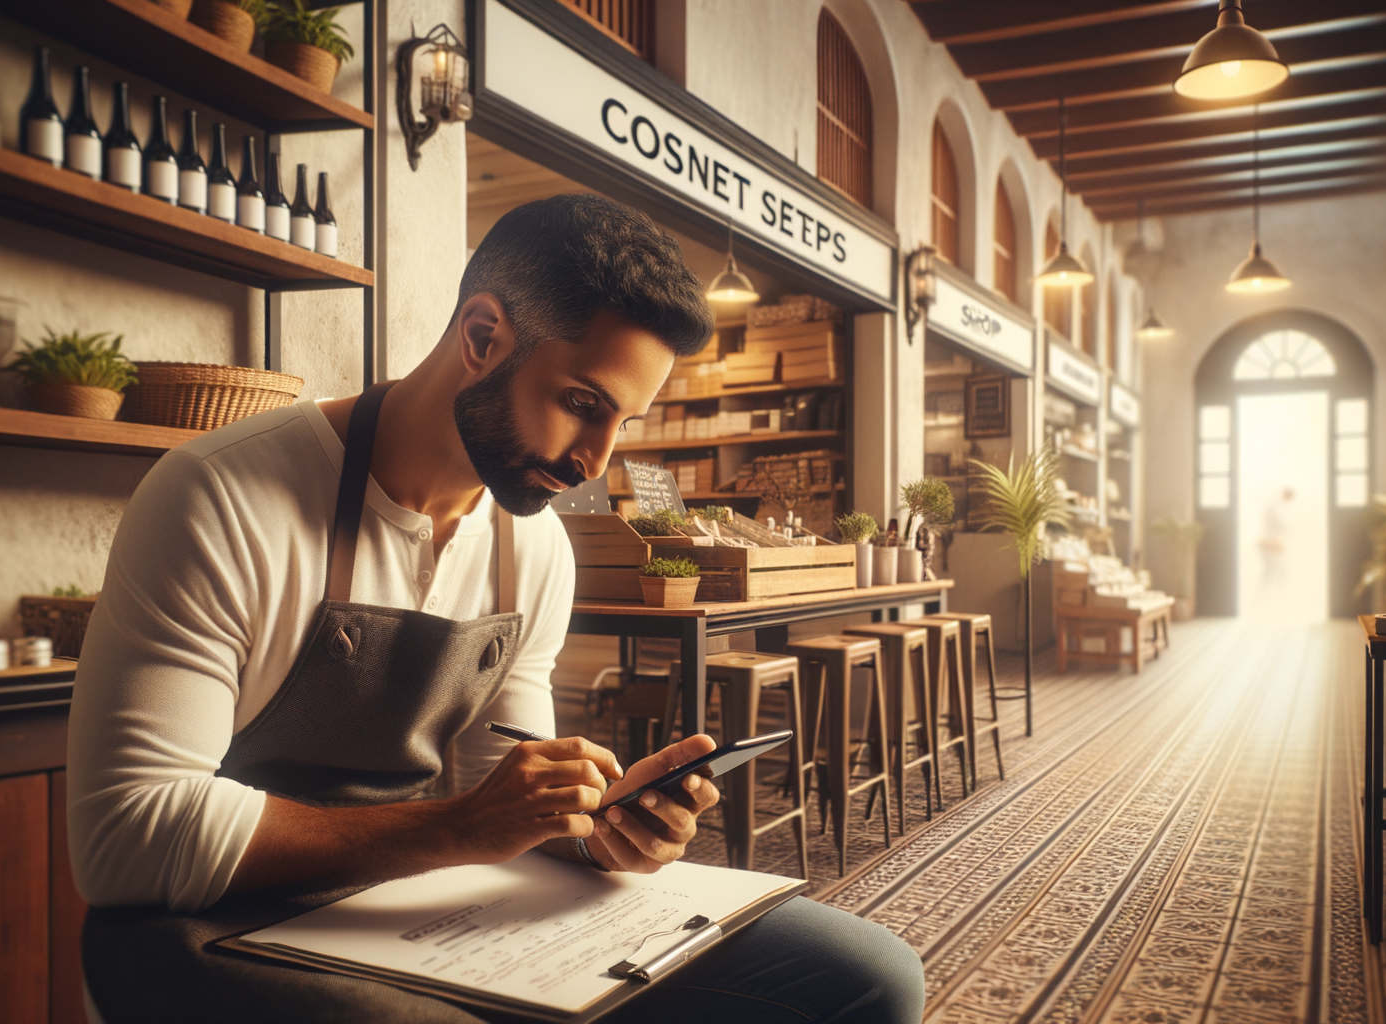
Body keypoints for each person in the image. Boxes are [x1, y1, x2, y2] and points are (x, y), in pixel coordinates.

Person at [68, 194, 924, 1023]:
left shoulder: (535, 547)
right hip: (206, 922)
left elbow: (494, 779)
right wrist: (458, 827)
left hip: (419, 896)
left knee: (868, 978)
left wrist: (594, 829)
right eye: (583, 406)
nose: (596, 461)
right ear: (483, 336)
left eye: (624, 422)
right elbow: (126, 839)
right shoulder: (218, 496)